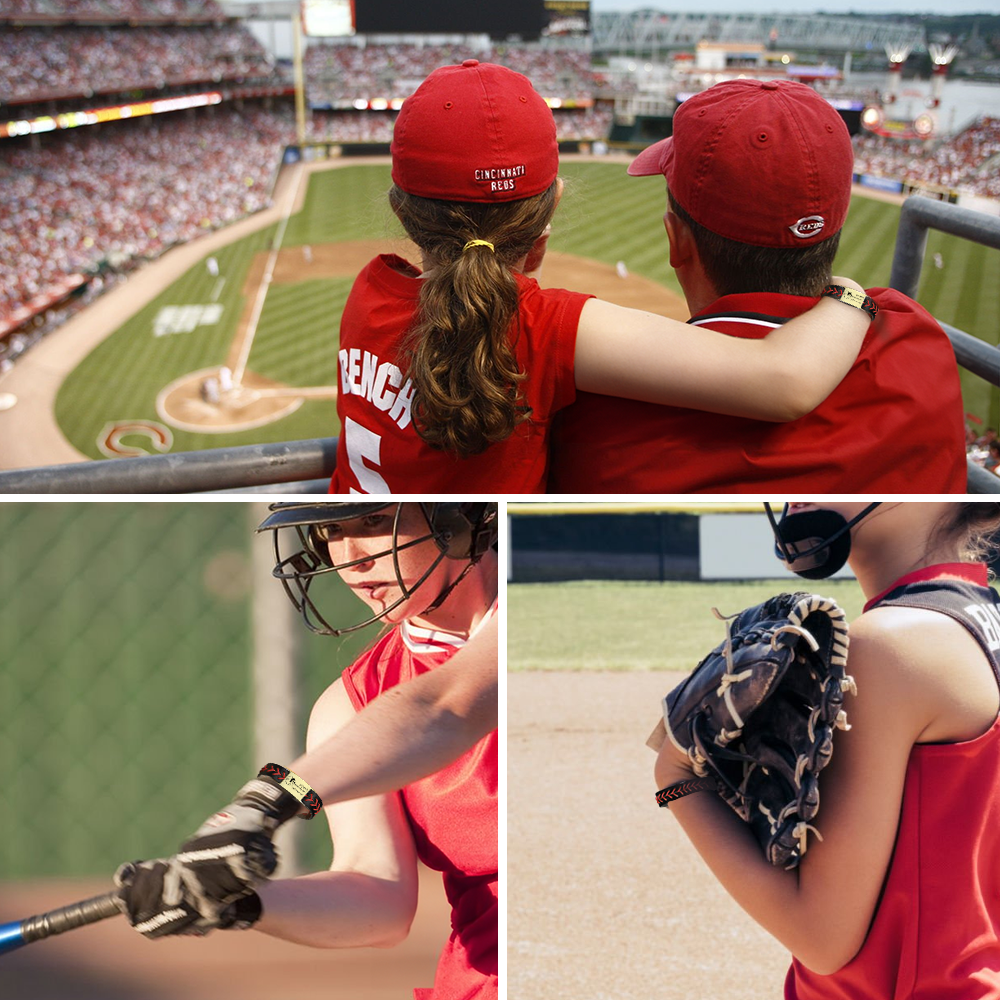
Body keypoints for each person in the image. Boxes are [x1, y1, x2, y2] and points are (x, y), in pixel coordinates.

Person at [330, 61, 873, 493]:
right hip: (464, 582)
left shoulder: (369, 293)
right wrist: (852, 295)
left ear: (402, 212)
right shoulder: (546, 326)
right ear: (551, 209)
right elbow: (785, 381)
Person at [115, 501, 499, 1000]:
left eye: (374, 521)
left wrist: (263, 803)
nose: (351, 557)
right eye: (332, 531)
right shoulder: (354, 702)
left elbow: (446, 707)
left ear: (459, 521)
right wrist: (238, 900)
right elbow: (379, 900)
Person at [550, 80, 968, 493]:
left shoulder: (600, 422)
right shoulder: (919, 338)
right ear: (836, 227)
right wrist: (848, 293)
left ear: (676, 241)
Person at [653, 501, 1000, 998]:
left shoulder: (890, 644)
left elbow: (820, 937)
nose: (797, 494)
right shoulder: (982, 617)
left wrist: (675, 780)